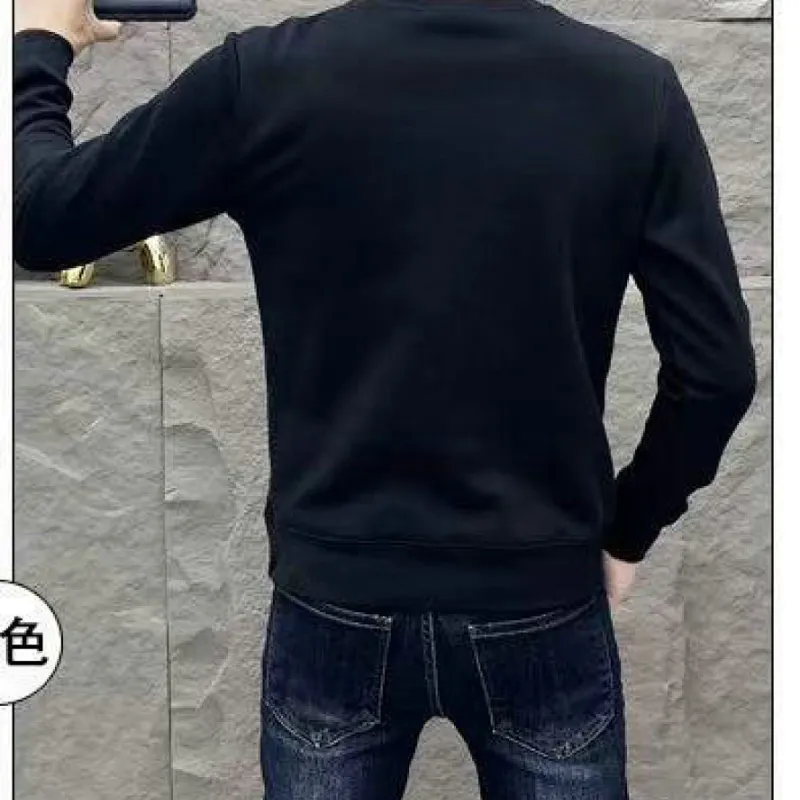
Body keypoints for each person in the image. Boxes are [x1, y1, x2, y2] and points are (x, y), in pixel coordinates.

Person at [13, 0, 757, 797]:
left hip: (338, 594)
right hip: (539, 587)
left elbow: (43, 216)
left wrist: (41, 43)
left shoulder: (268, 78)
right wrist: (629, 529)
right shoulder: (631, 91)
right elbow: (714, 373)